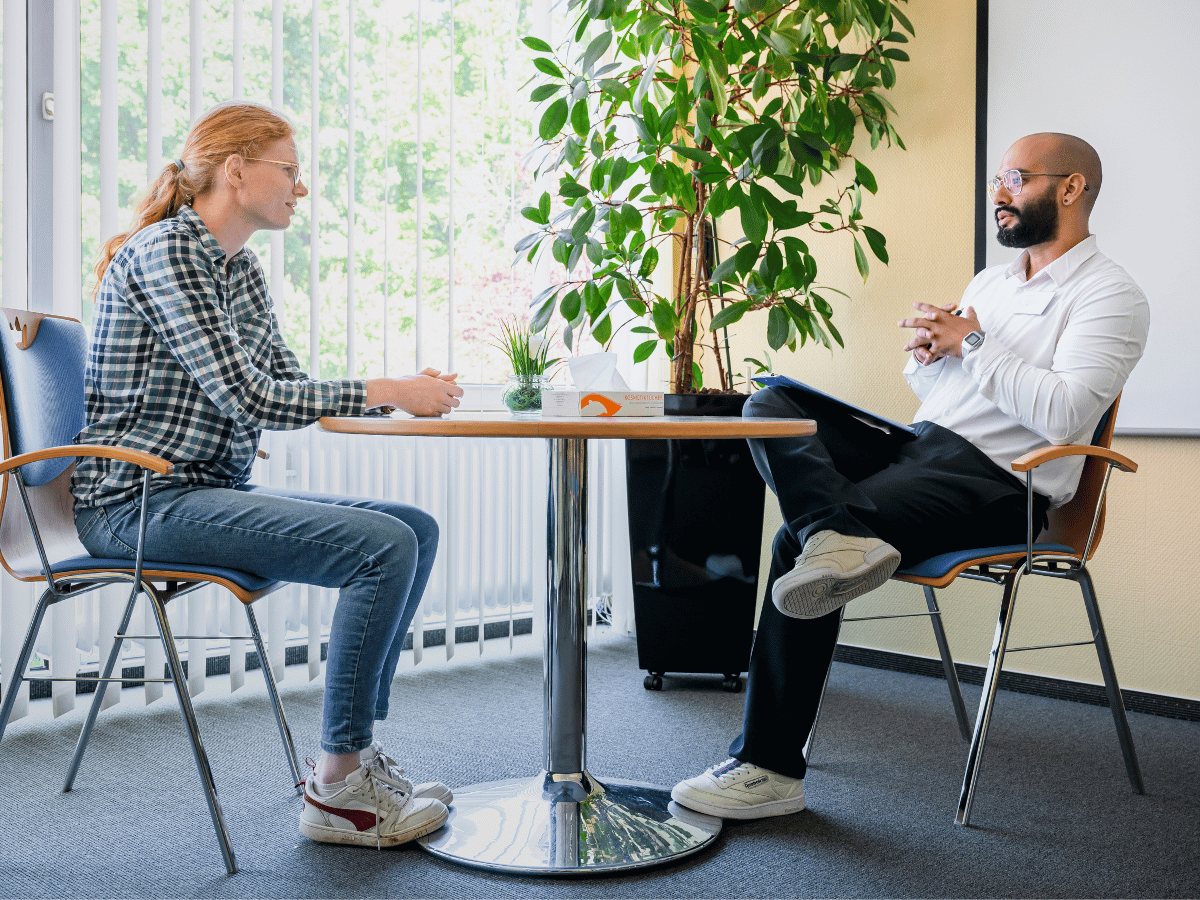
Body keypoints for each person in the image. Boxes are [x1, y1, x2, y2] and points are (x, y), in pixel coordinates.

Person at [670, 132, 1150, 819]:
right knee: (772, 404)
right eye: (997, 179)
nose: (999, 193)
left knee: (795, 549)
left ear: (1070, 189)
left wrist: (973, 343)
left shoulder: (1111, 296)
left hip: (999, 483)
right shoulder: (991, 282)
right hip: (919, 445)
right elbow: (945, 394)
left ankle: (768, 768)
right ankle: (838, 532)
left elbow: (1066, 416)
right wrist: (931, 356)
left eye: (1014, 178)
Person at [72, 101, 465, 848]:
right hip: (134, 502)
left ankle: (354, 760)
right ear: (236, 169)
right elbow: (248, 397)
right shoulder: (167, 253)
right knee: (380, 548)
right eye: (290, 170)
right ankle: (337, 785)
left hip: (200, 491)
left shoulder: (237, 266)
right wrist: (387, 388)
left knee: (414, 527)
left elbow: (284, 379)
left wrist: (404, 397)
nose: (301, 188)